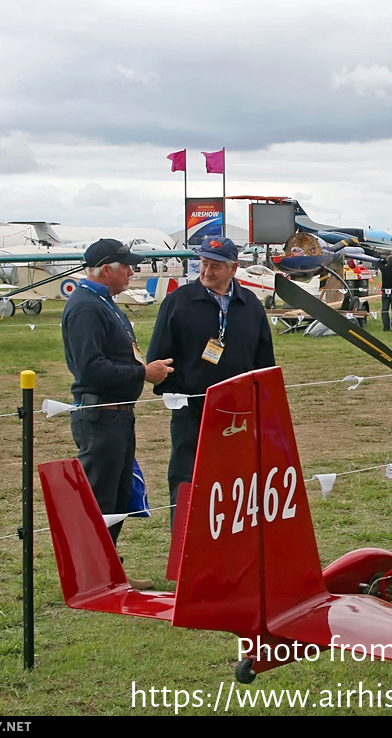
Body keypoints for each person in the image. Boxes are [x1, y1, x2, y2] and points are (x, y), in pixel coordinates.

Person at [62, 239, 174, 588]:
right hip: (100, 415)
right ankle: (90, 575)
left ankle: (107, 570)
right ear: (106, 269)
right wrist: (142, 373)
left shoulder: (103, 304)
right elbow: (91, 369)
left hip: (118, 415)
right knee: (100, 497)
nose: (131, 271)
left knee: (116, 494)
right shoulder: (85, 308)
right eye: (125, 266)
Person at [147, 236, 275, 523]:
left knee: (234, 481)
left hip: (238, 414)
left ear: (233, 268)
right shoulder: (178, 302)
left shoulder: (250, 305)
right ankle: (184, 551)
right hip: (192, 412)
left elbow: (264, 362)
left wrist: (260, 404)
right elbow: (159, 357)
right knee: (187, 481)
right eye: (204, 263)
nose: (206, 271)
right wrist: (180, 395)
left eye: (215, 266)